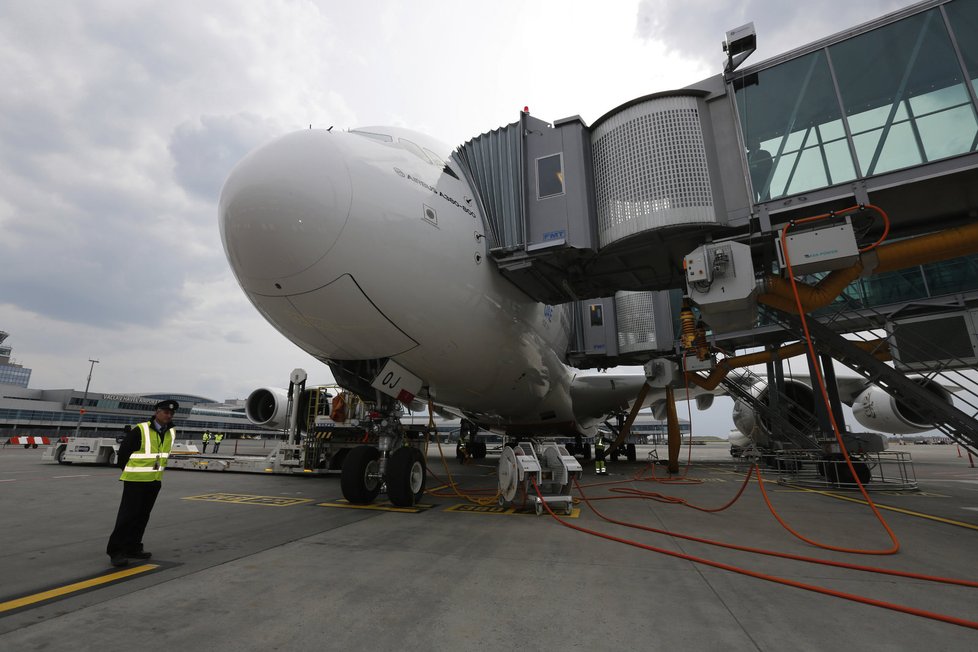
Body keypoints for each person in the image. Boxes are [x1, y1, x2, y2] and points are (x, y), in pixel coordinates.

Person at [105, 399, 179, 567]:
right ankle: (116, 551)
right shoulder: (141, 429)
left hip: (154, 481)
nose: (168, 415)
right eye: (165, 412)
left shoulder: (170, 432)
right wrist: (130, 471)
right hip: (135, 481)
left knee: (142, 517)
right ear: (156, 412)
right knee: (127, 517)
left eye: (171, 413)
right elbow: (124, 453)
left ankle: (133, 547)